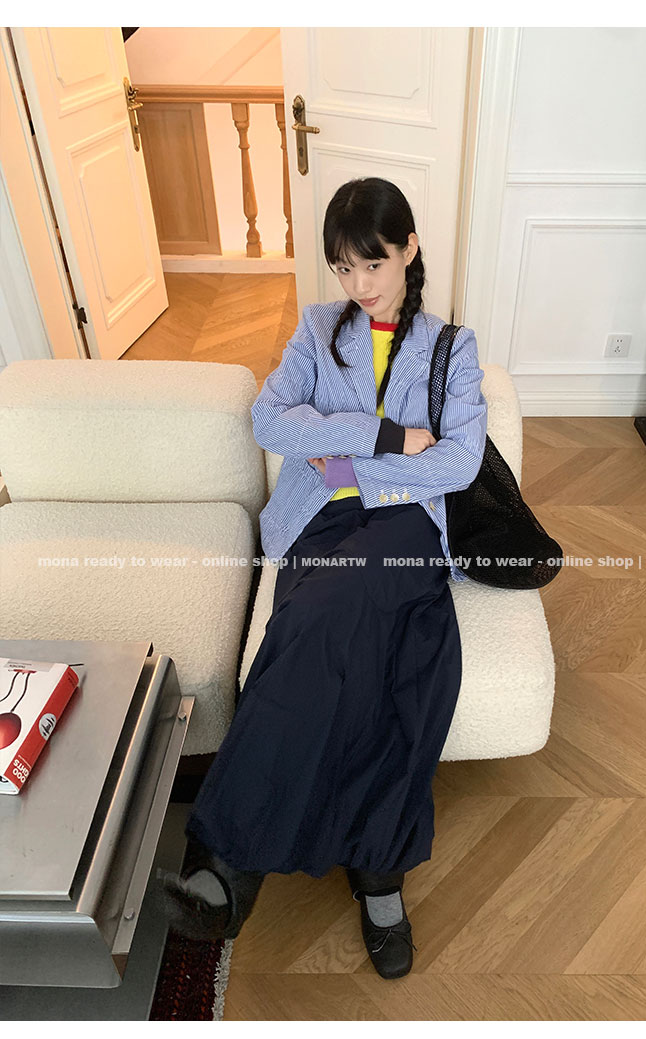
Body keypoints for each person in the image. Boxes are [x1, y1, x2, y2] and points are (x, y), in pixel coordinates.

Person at [159, 176, 488, 980]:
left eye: (373, 263)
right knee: (390, 666)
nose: (359, 284)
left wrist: (346, 462)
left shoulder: (452, 347)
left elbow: (459, 460)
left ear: (409, 249)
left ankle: (227, 862)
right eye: (344, 268)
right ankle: (379, 878)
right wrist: (382, 435)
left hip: (406, 522)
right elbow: (269, 418)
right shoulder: (315, 330)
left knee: (312, 621)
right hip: (320, 520)